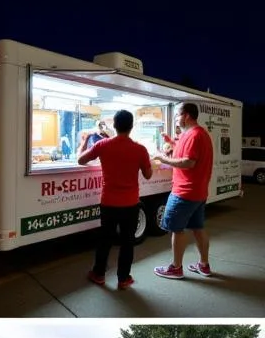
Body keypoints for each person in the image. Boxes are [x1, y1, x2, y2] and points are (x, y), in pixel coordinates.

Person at [78, 108, 153, 289]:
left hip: (109, 202)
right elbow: (148, 175)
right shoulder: (140, 149)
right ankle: (123, 278)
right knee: (127, 242)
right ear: (131, 127)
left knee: (105, 240)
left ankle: (99, 274)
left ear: (114, 125)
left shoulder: (103, 145)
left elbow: (81, 160)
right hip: (131, 203)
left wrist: (84, 140)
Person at [153, 102, 215, 279]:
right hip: (198, 192)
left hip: (184, 193)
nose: (176, 119)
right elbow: (186, 154)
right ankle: (204, 265)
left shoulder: (193, 135)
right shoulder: (198, 134)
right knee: (198, 228)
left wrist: (162, 158)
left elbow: (188, 162)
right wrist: (170, 142)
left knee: (176, 229)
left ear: (186, 115)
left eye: (177, 115)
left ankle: (176, 268)